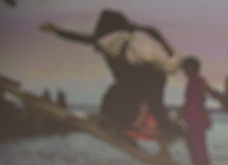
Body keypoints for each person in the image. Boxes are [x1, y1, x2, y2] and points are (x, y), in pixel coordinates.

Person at [40, 9, 181, 157]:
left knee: (136, 106)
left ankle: (158, 148)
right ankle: (134, 138)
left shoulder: (109, 40)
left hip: (147, 78)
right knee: (143, 108)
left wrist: (57, 31)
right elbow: (151, 30)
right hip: (147, 77)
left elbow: (80, 38)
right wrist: (165, 45)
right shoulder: (120, 36)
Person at [180, 56, 228, 165]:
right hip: (191, 120)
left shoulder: (199, 81)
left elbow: (211, 92)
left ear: (192, 68)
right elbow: (190, 101)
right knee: (193, 146)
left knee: (199, 148)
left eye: (186, 68)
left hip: (197, 120)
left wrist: (225, 101)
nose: (184, 71)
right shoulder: (191, 82)